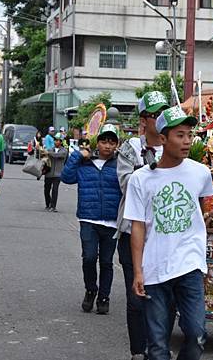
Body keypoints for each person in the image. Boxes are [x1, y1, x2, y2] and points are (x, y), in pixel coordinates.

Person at [124, 106, 213, 360]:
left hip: (190, 266)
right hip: (155, 268)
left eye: (189, 135)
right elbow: (138, 226)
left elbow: (202, 212)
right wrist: (138, 271)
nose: (186, 141)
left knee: (197, 335)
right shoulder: (141, 179)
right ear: (163, 139)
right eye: (179, 135)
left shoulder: (200, 173)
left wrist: (202, 261)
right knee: (157, 346)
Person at [116, 91, 169, 360]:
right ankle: (138, 350)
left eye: (164, 112)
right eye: (155, 114)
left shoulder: (175, 145)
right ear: (143, 119)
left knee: (163, 296)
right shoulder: (130, 148)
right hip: (132, 231)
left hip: (165, 233)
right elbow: (126, 183)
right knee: (136, 296)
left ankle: (157, 348)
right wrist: (154, 168)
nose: (160, 118)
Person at [61, 123, 122, 315]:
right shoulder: (85, 164)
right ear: (98, 142)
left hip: (111, 222)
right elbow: (66, 177)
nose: (107, 146)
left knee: (106, 262)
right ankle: (90, 290)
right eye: (104, 141)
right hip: (88, 219)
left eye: (112, 142)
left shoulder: (121, 165)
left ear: (116, 145)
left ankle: (104, 297)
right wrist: (78, 155)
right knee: (88, 258)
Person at [43, 133, 68, 212]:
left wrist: (48, 153)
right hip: (48, 173)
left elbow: (57, 155)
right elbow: (43, 155)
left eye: (58, 140)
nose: (56, 142)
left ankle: (53, 206)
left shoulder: (64, 151)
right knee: (46, 190)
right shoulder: (50, 149)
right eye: (55, 140)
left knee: (55, 190)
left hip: (58, 173)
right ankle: (48, 204)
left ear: (61, 142)